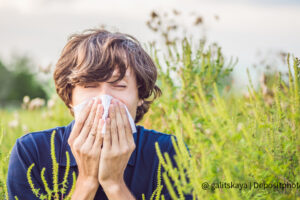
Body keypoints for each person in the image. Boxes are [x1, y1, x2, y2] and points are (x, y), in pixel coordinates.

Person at [6, 29, 192, 200]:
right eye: (89, 86)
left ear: (140, 95)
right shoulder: (32, 152)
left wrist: (114, 184)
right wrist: (87, 181)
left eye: (119, 86)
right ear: (69, 96)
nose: (105, 100)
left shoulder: (168, 152)